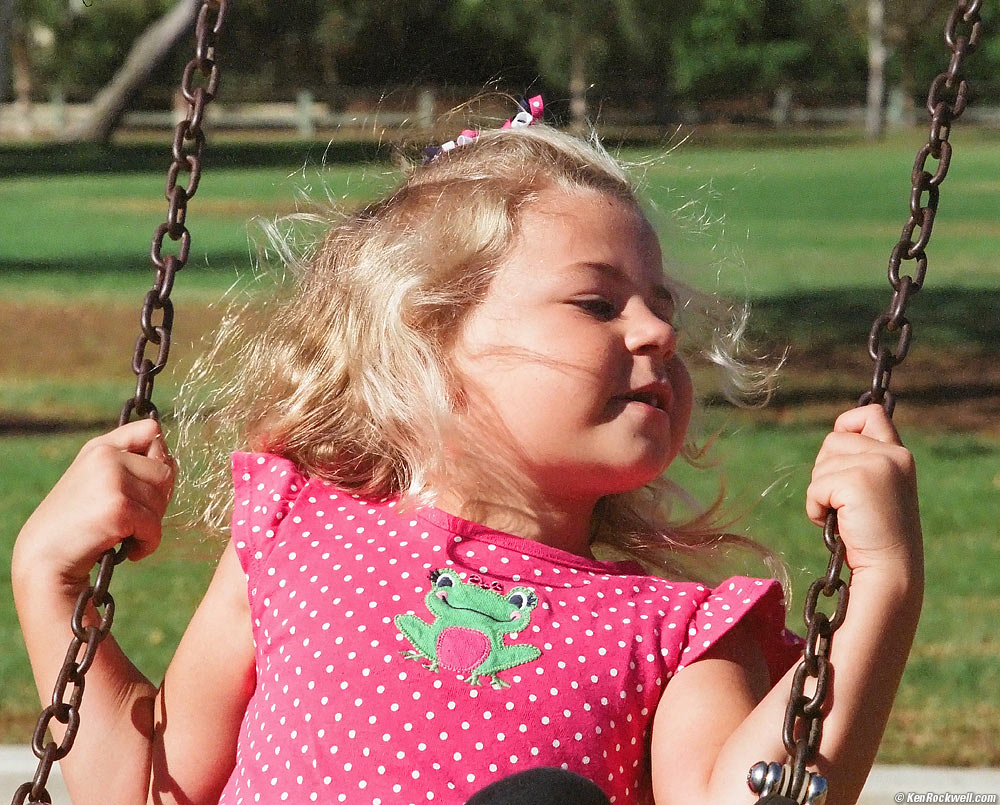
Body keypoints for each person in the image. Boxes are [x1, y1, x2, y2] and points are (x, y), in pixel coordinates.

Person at [12, 98, 923, 805]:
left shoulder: (674, 634)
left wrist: (882, 582)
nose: (656, 332)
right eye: (598, 303)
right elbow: (150, 788)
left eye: (663, 309)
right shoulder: (296, 535)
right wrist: (48, 579)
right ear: (430, 342)